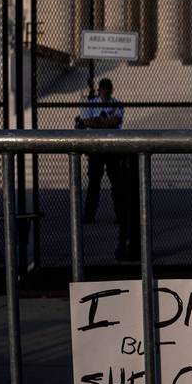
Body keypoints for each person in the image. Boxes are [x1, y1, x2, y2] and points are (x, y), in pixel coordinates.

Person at [78, 78, 138, 260]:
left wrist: (98, 121)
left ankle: (119, 215)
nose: (105, 92)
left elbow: (115, 121)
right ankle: (89, 214)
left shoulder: (117, 103)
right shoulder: (91, 103)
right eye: (103, 90)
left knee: (117, 183)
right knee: (94, 182)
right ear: (100, 90)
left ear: (111, 90)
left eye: (107, 90)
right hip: (96, 146)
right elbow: (86, 121)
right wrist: (103, 122)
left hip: (112, 146)